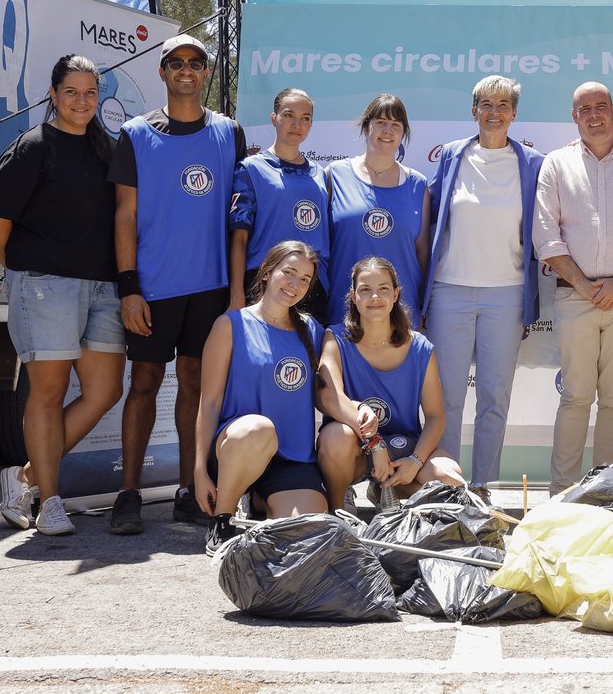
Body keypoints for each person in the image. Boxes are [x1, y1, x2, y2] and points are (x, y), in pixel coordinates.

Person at [0, 55, 124, 536]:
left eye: (89, 93)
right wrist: (23, 270)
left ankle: (24, 476)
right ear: (52, 94)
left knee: (105, 391)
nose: (81, 102)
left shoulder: (107, 148)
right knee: (49, 392)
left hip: (104, 287)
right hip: (44, 284)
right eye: (71, 92)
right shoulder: (34, 146)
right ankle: (51, 501)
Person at [107, 35, 245, 535]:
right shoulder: (135, 133)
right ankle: (128, 495)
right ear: (162, 72)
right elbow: (124, 215)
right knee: (143, 386)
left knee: (194, 385)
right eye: (175, 63)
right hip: (154, 288)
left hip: (209, 289)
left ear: (206, 72)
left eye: (195, 62)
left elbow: (238, 217)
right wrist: (129, 288)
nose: (186, 70)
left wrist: (237, 291)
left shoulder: (228, 132)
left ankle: (190, 489)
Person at [533, 81, 613, 495]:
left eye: (600, 106)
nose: (593, 115)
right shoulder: (556, 164)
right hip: (575, 296)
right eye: (584, 108)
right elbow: (546, 235)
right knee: (574, 398)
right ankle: (561, 495)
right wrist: (585, 286)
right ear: (574, 117)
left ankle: (605, 495)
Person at [422, 76, 544, 503]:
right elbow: (430, 215)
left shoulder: (533, 163)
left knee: (495, 395)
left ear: (514, 113)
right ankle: (448, 485)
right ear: (473, 111)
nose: (495, 111)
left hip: (507, 292)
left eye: (504, 104)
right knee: (448, 396)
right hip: (450, 290)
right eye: (486, 104)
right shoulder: (453, 155)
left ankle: (483, 485)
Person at [193, 241, 326, 556]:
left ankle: (258, 501)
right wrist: (199, 471)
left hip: (290, 457)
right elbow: (209, 402)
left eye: (305, 279)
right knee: (258, 428)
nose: (295, 285)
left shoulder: (313, 330)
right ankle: (223, 518)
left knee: (309, 536)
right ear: (267, 273)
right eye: (288, 273)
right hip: (238, 448)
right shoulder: (230, 325)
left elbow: (328, 394)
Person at [317, 256, 465, 508]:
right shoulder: (336, 337)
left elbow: (435, 417)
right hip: (356, 448)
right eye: (365, 290)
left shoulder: (420, 347)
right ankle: (339, 504)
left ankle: (388, 489)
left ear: (396, 294)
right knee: (335, 438)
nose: (375, 297)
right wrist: (374, 441)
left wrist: (416, 461)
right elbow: (327, 396)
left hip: (404, 448)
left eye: (383, 289)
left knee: (451, 479)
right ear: (353, 296)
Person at [325, 94, 429, 327]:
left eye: (396, 125)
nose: (388, 130)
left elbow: (422, 251)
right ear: (366, 127)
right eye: (381, 122)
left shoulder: (418, 184)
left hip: (401, 312)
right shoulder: (335, 174)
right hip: (344, 309)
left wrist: (423, 304)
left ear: (403, 133)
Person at [228, 88, 329, 319]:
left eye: (305, 118)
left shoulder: (320, 174)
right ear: (274, 119)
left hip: (311, 288)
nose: (297, 124)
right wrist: (236, 294)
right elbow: (239, 238)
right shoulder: (251, 169)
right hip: (264, 285)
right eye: (288, 115)